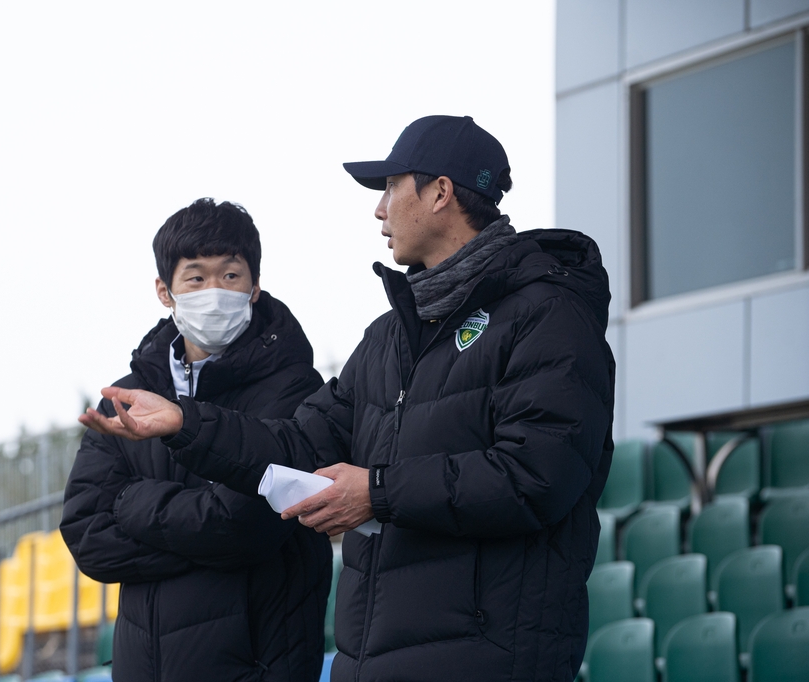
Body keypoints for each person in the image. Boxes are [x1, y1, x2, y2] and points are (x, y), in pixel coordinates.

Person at [84, 116, 616, 682]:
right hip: (374, 658)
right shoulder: (388, 336)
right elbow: (297, 442)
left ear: (440, 192)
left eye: (390, 188)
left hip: (488, 657)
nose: (379, 210)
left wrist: (379, 492)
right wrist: (183, 423)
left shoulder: (548, 315)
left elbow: (538, 476)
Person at [62, 197, 332, 682]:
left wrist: (129, 502)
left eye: (230, 276)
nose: (215, 292)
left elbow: (248, 525)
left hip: (259, 663)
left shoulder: (296, 389)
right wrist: (207, 528)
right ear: (165, 292)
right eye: (196, 278)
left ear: (254, 287)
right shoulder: (125, 399)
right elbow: (88, 537)